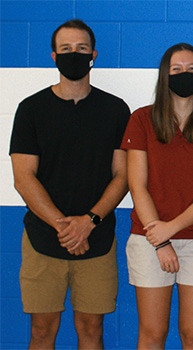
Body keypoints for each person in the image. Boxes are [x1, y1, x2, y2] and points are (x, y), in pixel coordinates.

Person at [9, 19, 130, 349]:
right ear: (53, 56)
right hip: (42, 239)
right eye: (65, 49)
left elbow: (123, 176)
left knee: (91, 329)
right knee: (41, 331)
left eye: (80, 48)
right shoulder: (31, 110)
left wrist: (88, 223)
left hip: (97, 239)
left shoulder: (116, 110)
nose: (73, 54)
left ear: (93, 55)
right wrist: (66, 227)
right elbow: (23, 178)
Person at [121, 43, 193, 348]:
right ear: (164, 76)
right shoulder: (141, 120)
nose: (184, 74)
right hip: (149, 239)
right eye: (176, 69)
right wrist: (161, 238)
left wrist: (172, 229)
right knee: (153, 333)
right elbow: (136, 185)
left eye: (192, 69)